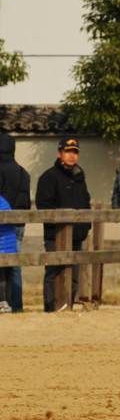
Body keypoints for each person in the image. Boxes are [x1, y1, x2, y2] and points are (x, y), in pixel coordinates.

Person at [36, 137, 91, 312]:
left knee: (74, 273)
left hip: (77, 235)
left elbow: (86, 202)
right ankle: (51, 307)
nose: (72, 155)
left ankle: (69, 304)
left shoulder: (80, 177)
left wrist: (85, 225)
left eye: (75, 152)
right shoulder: (49, 177)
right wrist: (61, 221)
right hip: (56, 235)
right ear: (60, 153)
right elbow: (43, 205)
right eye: (68, 151)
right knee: (54, 270)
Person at [0, 133, 30, 311]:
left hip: (1, 226)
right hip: (18, 224)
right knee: (15, 263)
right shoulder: (22, 172)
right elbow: (25, 202)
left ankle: (3, 301)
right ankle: (17, 304)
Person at [0, 194, 18, 313]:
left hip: (2, 243)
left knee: (2, 276)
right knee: (7, 275)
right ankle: (8, 303)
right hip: (9, 243)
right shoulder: (4, 201)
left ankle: (3, 302)